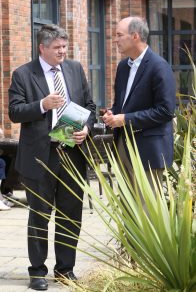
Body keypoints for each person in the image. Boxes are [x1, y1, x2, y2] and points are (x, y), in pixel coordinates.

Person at [9, 24, 96, 291]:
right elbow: (15, 112)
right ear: (42, 48)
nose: (62, 51)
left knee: (70, 215)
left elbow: (90, 107)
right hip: (40, 157)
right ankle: (37, 271)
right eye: (57, 47)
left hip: (72, 153)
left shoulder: (74, 69)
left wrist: (86, 128)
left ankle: (65, 269)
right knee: (39, 215)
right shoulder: (23, 74)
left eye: (64, 46)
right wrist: (41, 105)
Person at [103, 16, 176, 195]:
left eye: (119, 35)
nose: (116, 40)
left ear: (135, 36)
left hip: (149, 151)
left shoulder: (159, 67)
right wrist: (113, 114)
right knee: (128, 210)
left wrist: (126, 119)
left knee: (146, 213)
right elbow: (122, 105)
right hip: (123, 147)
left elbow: (166, 111)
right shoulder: (122, 67)